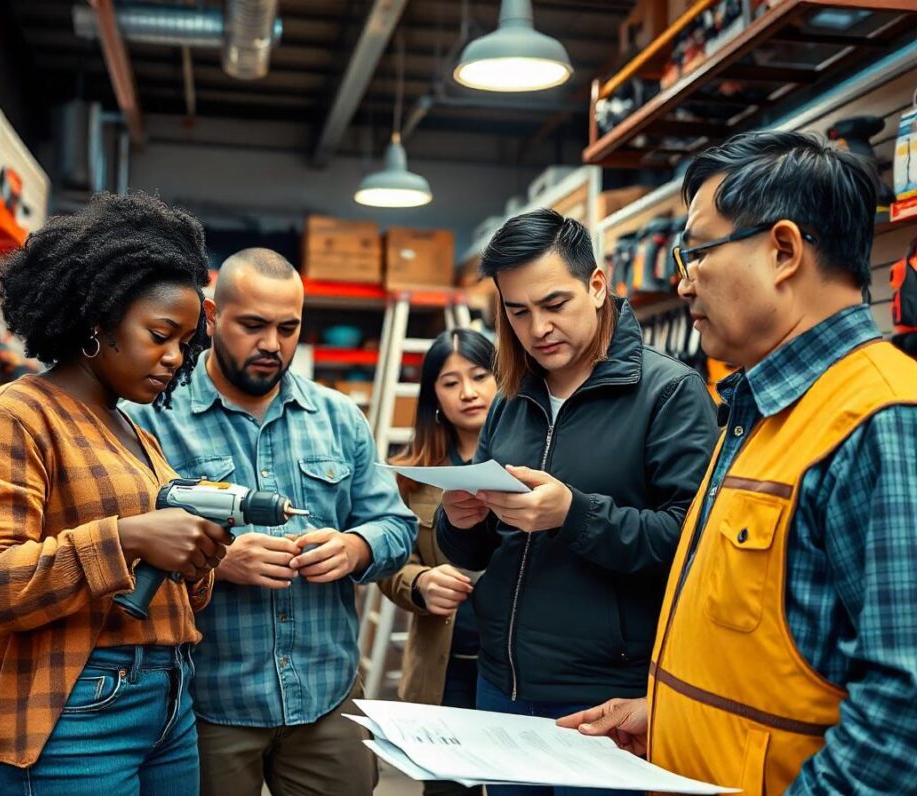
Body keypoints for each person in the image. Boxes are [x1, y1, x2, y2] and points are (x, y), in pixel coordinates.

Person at [559, 131, 917, 795]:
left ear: (782, 250)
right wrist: (674, 717)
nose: (680, 279)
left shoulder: (880, 419)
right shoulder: (758, 409)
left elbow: (903, 715)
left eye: (696, 252)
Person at [0, 192, 230, 795]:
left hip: (168, 700)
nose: (176, 358)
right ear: (98, 321)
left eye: (185, 342)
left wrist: (196, 556)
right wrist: (128, 537)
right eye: (160, 335)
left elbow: (164, 581)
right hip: (71, 712)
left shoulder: (134, 431)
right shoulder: (16, 416)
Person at [437, 209, 718, 796]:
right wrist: (461, 521)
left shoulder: (670, 392)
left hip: (604, 700)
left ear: (596, 285)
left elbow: (692, 545)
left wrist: (573, 514)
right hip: (503, 686)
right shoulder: (511, 400)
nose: (537, 328)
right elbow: (482, 548)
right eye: (518, 312)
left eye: (554, 304)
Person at [125, 248, 418, 796]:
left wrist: (355, 548)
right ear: (212, 318)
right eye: (253, 325)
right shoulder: (152, 419)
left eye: (288, 328)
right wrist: (214, 561)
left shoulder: (338, 418)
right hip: (208, 704)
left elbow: (395, 526)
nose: (271, 345)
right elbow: (118, 545)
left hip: (326, 701)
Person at [378, 328, 498, 796]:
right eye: (450, 382)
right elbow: (389, 562)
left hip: (512, 670)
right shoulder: (413, 476)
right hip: (442, 673)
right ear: (434, 397)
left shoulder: (533, 463)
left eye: (479, 375)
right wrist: (421, 582)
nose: (468, 392)